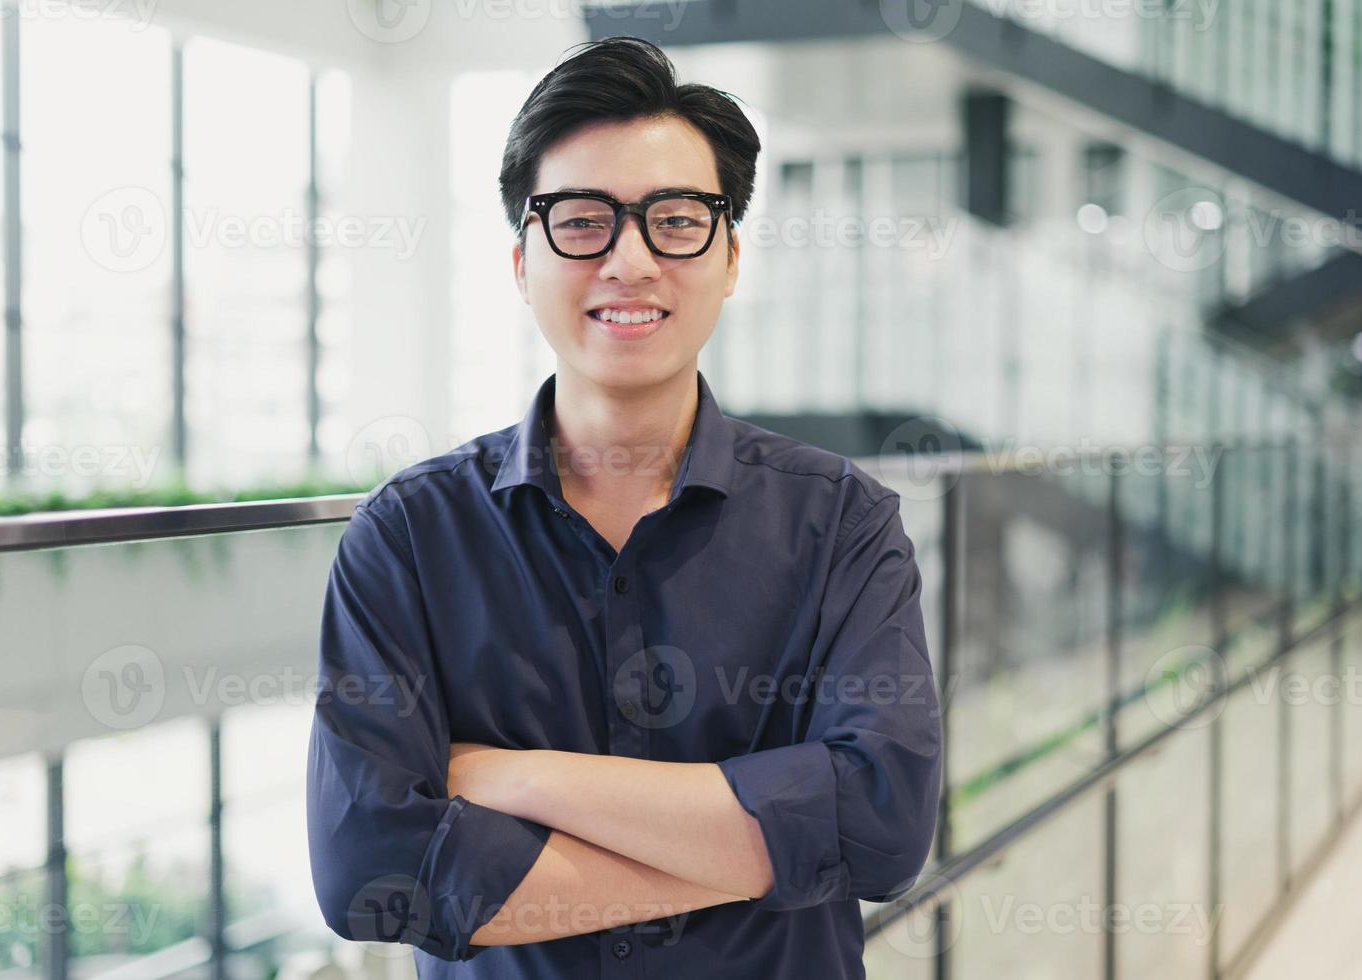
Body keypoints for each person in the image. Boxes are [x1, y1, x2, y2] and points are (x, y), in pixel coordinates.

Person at [306, 35, 942, 980]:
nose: (631, 260)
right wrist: (762, 846)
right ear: (522, 260)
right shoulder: (407, 537)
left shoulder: (842, 524)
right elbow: (372, 868)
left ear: (729, 256)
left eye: (676, 220)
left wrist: (509, 778)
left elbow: (882, 826)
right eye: (582, 220)